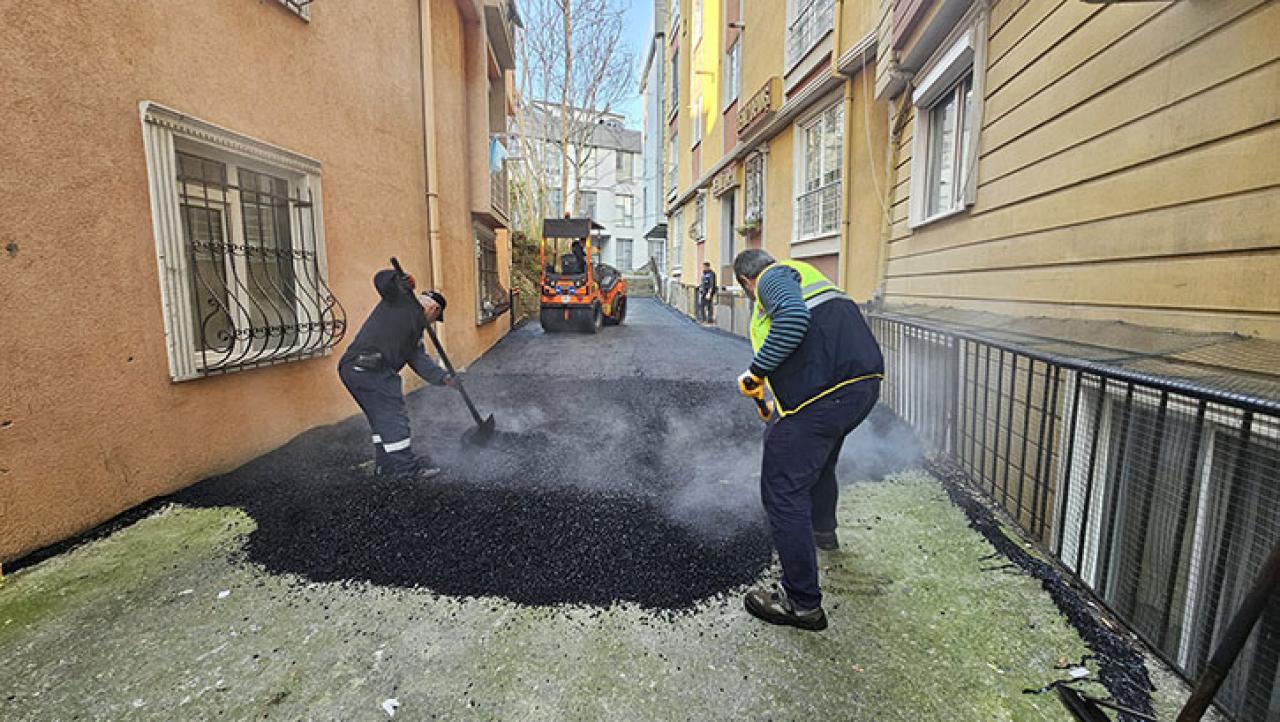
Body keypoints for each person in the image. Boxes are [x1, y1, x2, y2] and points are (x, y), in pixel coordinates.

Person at [733, 249, 884, 631]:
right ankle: (822, 533)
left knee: (783, 489)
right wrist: (772, 402)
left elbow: (794, 321)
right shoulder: (808, 276)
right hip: (860, 388)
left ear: (746, 283)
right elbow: (807, 343)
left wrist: (756, 372)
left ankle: (800, 601)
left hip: (824, 395)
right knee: (820, 462)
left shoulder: (771, 277)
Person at [338, 268, 456, 481]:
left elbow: (419, 360)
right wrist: (398, 279)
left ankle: (386, 466)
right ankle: (407, 471)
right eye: (435, 317)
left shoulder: (413, 331)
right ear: (434, 309)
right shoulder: (400, 300)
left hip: (362, 370)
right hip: (366, 369)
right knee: (392, 416)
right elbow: (382, 281)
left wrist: (444, 378)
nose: (432, 322)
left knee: (380, 418)